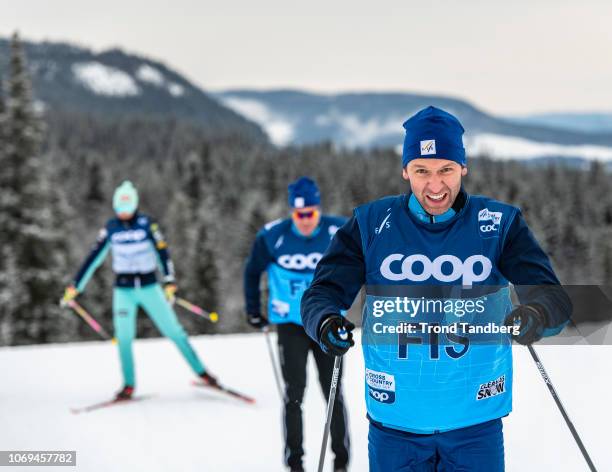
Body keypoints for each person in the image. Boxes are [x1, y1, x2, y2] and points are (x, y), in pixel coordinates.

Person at [301, 106, 572, 471]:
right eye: (422, 171)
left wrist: (536, 314)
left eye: (445, 169)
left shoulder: (497, 224)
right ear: (405, 170)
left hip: (474, 423)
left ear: (463, 167)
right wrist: (324, 322)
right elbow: (321, 293)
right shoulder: (371, 224)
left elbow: (552, 297)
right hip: (395, 422)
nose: (435, 185)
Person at [62, 180, 218, 400]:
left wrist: (170, 281)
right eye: (119, 209)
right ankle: (128, 385)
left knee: (174, 331)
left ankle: (203, 374)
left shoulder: (147, 225)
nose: (123, 214)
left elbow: (162, 253)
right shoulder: (110, 228)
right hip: (123, 291)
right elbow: (92, 259)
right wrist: (75, 286)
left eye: (127, 209)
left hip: (149, 287)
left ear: (134, 206)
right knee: (124, 338)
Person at [244, 177, 351, 472]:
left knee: (333, 393)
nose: (305, 221)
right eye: (300, 215)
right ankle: (295, 463)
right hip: (290, 325)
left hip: (327, 323)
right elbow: (251, 271)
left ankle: (341, 462)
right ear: (292, 212)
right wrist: (253, 310)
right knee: (294, 395)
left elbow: (362, 262)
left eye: (311, 214)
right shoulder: (272, 236)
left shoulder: (337, 231)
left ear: (318, 209)